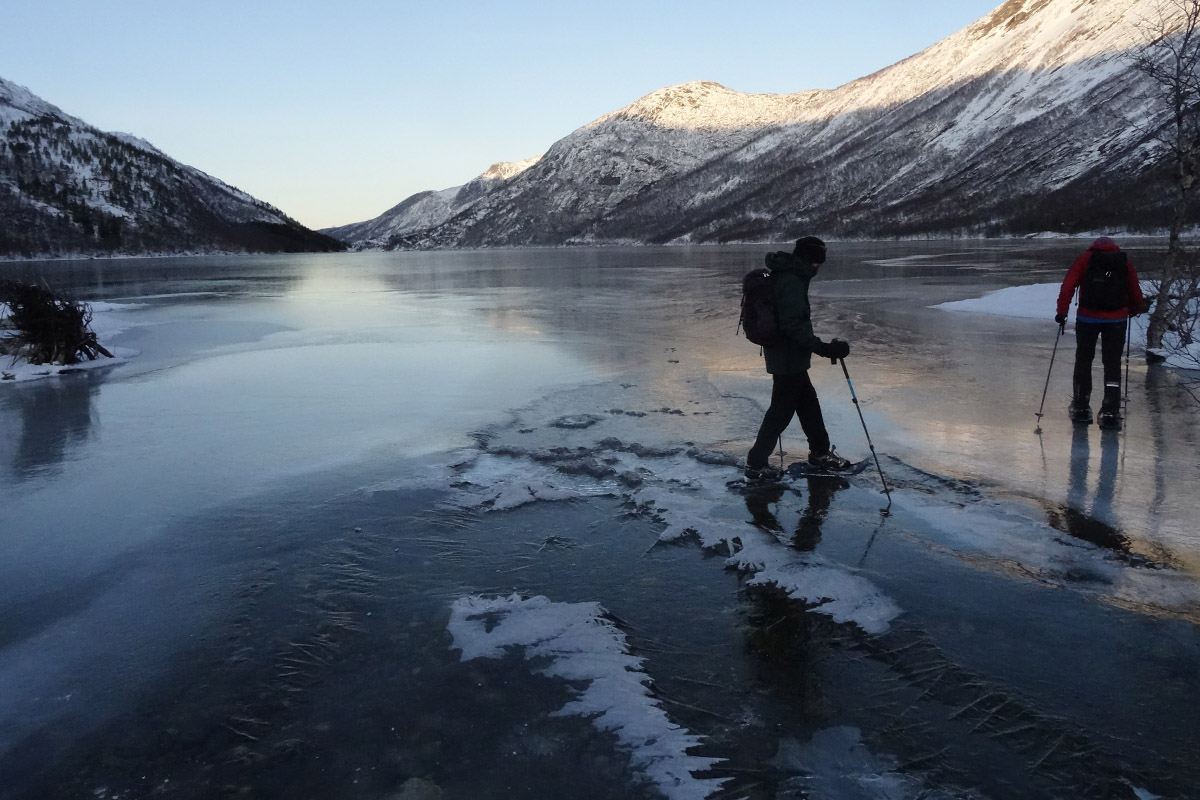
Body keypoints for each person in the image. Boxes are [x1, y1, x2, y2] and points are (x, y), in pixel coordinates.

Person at [745, 236, 853, 481]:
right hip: (786, 359)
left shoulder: (790, 275)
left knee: (808, 405)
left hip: (789, 357)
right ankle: (756, 464)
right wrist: (824, 349)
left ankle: (820, 453)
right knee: (780, 413)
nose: (818, 267)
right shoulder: (792, 281)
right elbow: (793, 326)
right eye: (816, 262)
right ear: (807, 259)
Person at [1055, 236, 1146, 428]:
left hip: (1088, 318)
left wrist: (1062, 312)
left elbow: (1068, 285)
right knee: (1112, 363)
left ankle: (1081, 406)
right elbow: (1134, 290)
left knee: (1084, 359)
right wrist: (1134, 309)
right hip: (1117, 320)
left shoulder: (1085, 258)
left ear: (1094, 245)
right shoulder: (1123, 261)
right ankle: (1110, 409)